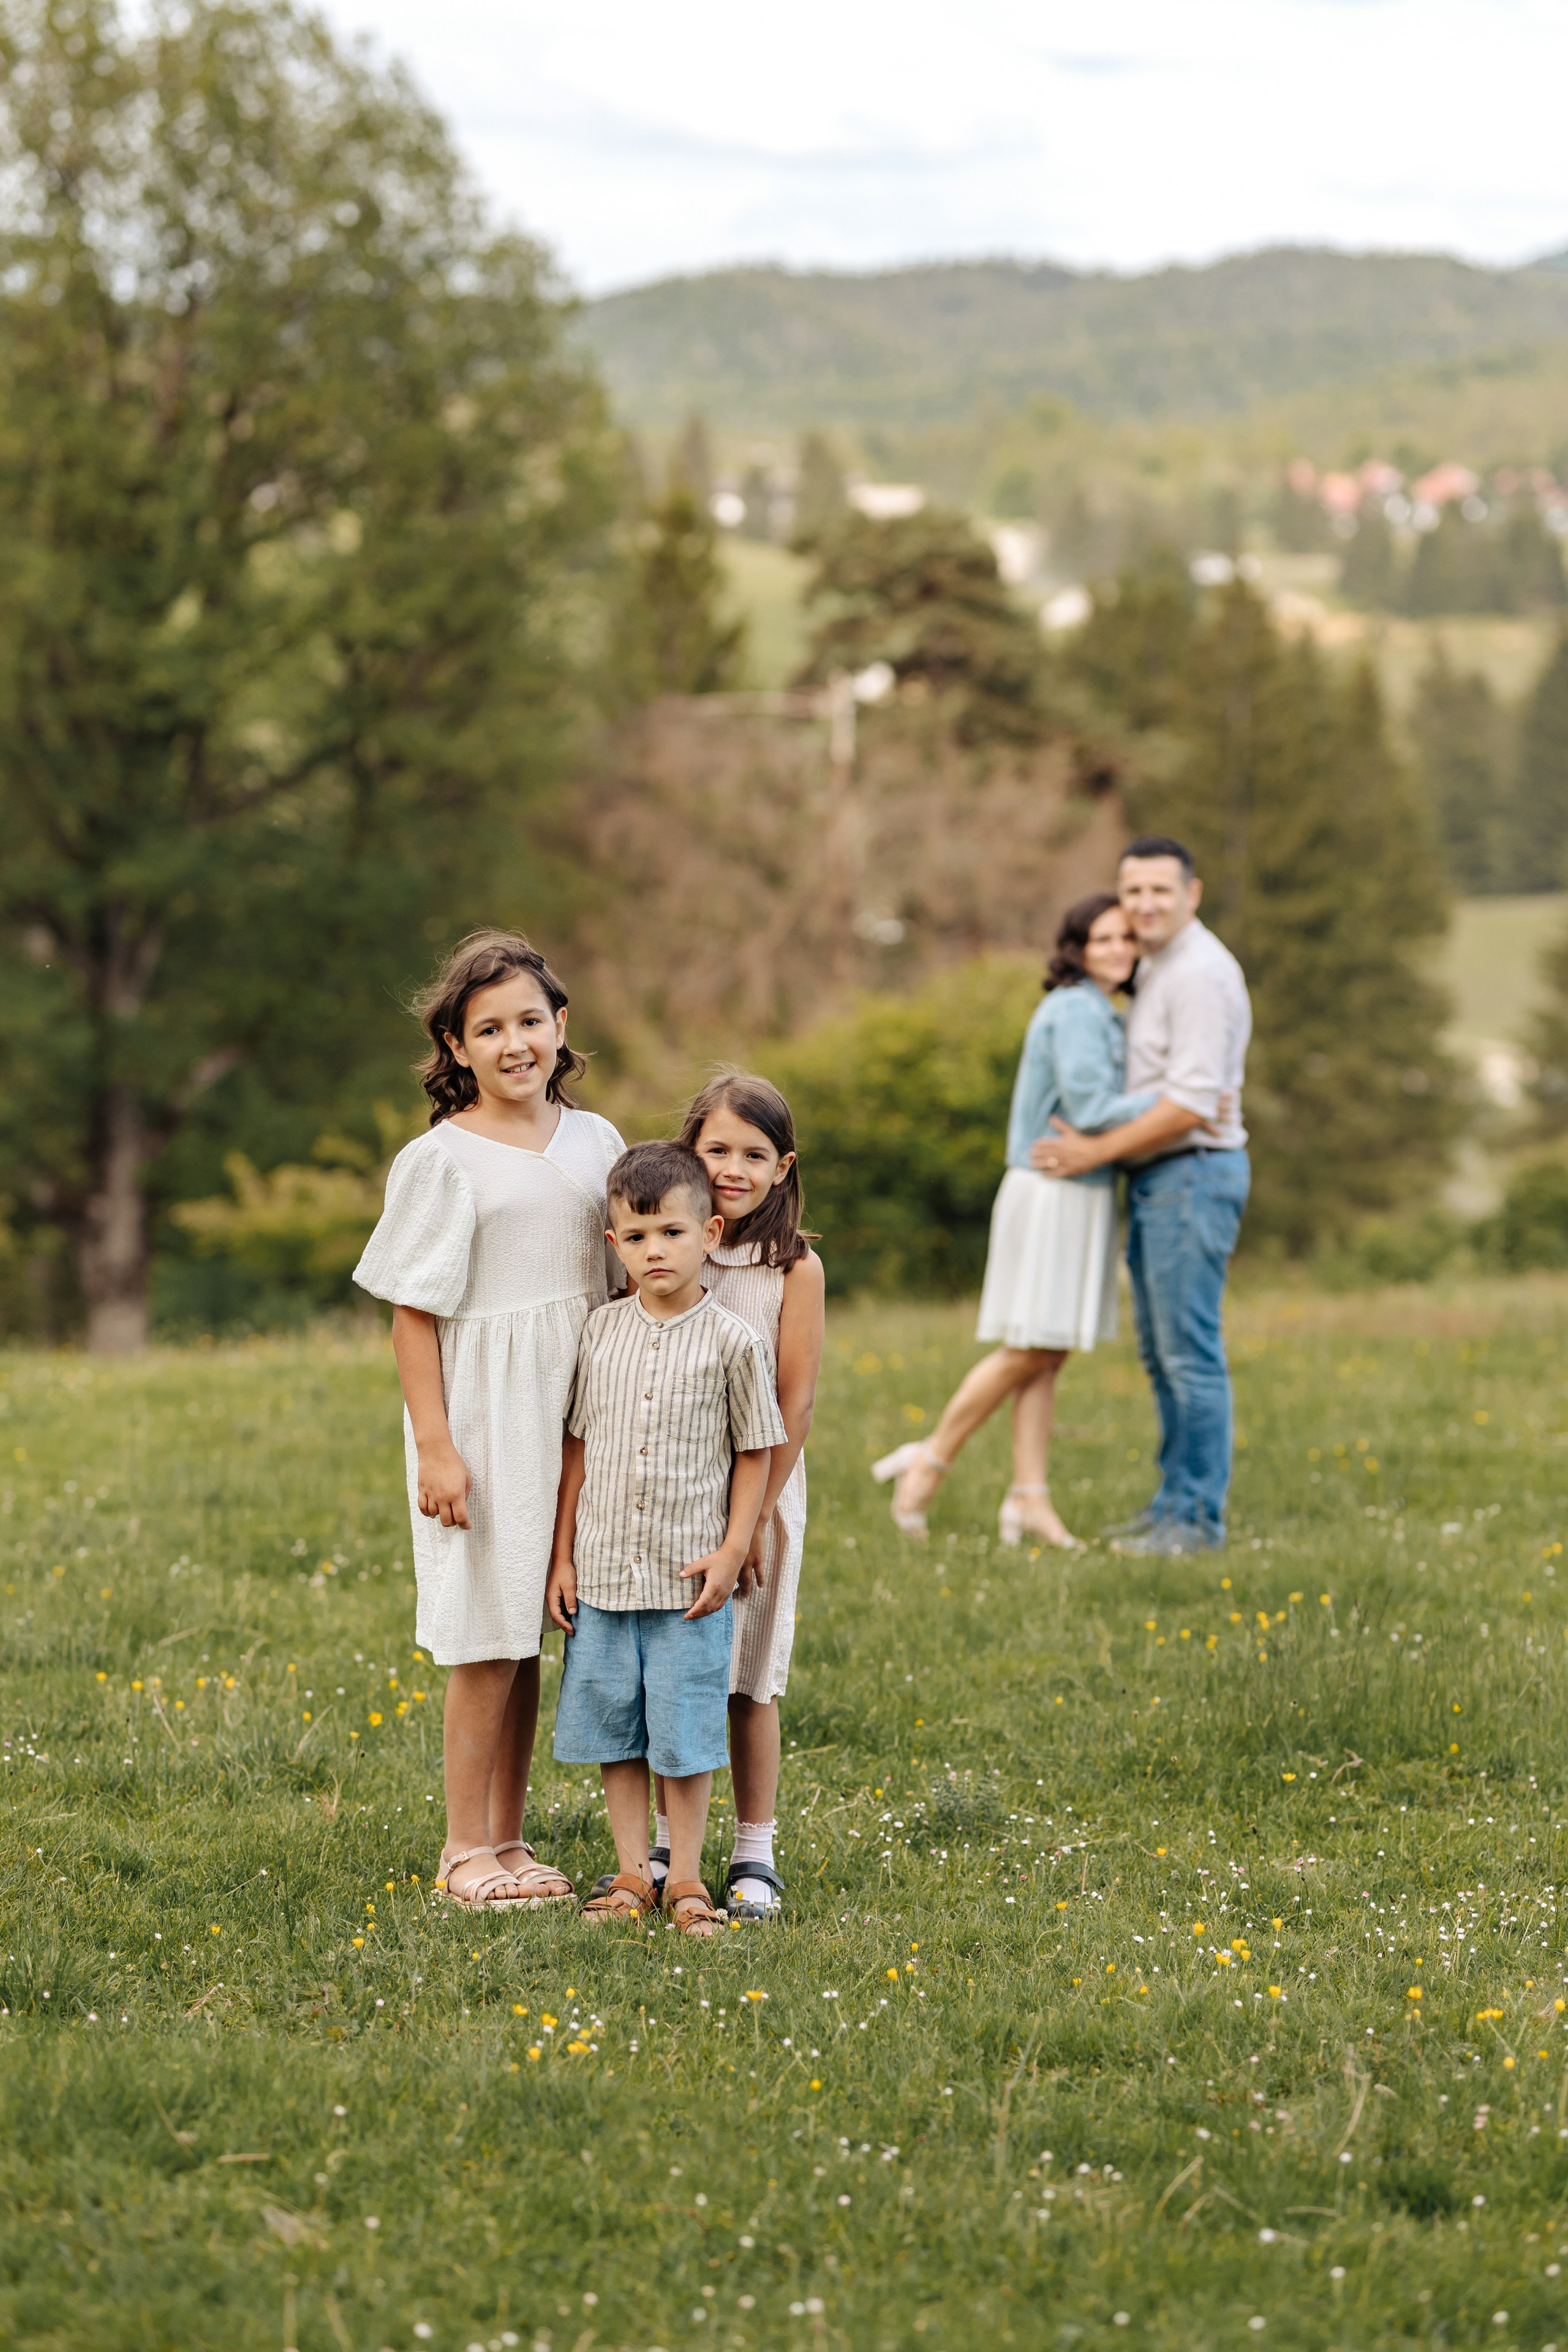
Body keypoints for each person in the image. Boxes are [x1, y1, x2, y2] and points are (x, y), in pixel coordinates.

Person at [353, 931, 624, 1910]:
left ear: (562, 1026)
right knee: (484, 1634)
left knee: (533, 1628)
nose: (515, 1043)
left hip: (577, 1407)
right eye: (489, 1029)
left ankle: (510, 1839)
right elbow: (412, 1312)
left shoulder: (597, 1141)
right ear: (457, 1047)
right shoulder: (440, 1159)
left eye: (530, 1021)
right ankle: (463, 1848)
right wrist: (436, 1444)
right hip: (486, 1410)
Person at [546, 1140, 786, 1940]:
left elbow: (757, 1449)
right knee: (616, 1724)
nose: (657, 1251)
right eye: (639, 1237)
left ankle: (685, 1877)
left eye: (674, 1235)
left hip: (689, 1579)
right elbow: (576, 1447)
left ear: (710, 1234)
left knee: (684, 1729)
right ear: (615, 1245)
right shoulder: (600, 1333)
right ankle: (630, 1872)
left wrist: (733, 1546)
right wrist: (562, 1555)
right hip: (607, 1572)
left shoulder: (732, 1342)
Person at [872, 893, 1158, 1548]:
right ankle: (929, 1460)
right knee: (1029, 1347)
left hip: (1076, 1188)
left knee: (1047, 1353)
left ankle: (1029, 1496)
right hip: (1054, 1189)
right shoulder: (1075, 1010)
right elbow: (1088, 1106)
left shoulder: (1097, 1012)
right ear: (1078, 948)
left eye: (1127, 939)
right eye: (1103, 938)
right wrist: (1180, 1096)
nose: (1119, 949)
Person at [1039, 835, 1251, 1554]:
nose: (1145, 904)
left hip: (1193, 1171)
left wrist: (1092, 1151)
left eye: (1161, 890)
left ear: (1191, 893)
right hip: (1164, 1176)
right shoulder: (1157, 968)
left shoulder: (1197, 975)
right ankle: (1172, 1507)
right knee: (1164, 1356)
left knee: (1189, 1355)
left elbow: (1192, 1104)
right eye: (1133, 891)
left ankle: (1196, 1521)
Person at [660, 1071, 826, 1922]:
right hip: (668, 1494)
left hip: (758, 1501)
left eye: (753, 1154)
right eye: (716, 1149)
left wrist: (754, 1519)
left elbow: (793, 1402)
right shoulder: (667, 1244)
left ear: (782, 1166)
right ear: (689, 1152)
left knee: (748, 1678)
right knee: (670, 1666)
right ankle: (664, 1841)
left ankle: (753, 1848)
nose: (732, 1167)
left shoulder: (791, 1268)